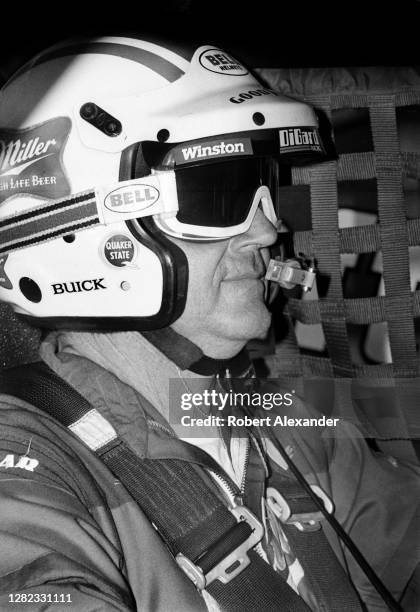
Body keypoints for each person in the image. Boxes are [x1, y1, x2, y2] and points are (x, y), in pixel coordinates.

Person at [0, 35, 418, 612]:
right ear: (87, 232)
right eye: (219, 193)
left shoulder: (277, 417)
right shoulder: (25, 465)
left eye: (263, 188)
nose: (268, 232)